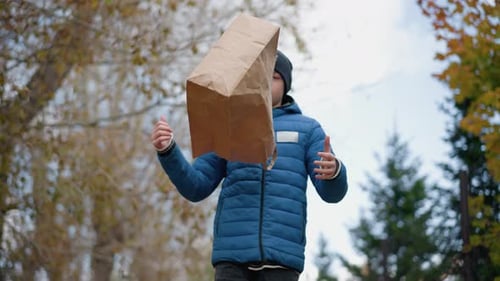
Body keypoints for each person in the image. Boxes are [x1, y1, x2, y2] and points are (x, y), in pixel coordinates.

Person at [151, 50, 348, 281]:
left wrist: (334, 173)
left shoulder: (308, 130)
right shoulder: (229, 126)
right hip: (231, 261)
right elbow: (196, 186)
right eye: (259, 77)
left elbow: (333, 194)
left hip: (282, 262)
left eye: (273, 77)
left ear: (285, 85)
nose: (265, 83)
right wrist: (169, 151)